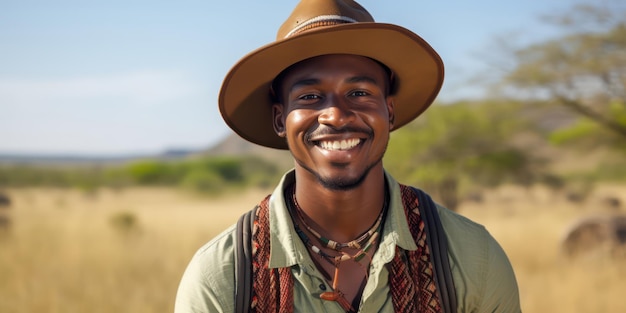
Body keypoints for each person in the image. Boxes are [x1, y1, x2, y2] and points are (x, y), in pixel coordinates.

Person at [175, 0, 521, 312]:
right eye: (310, 97)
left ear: (389, 112)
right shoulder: (223, 277)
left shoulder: (471, 257)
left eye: (358, 92)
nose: (336, 116)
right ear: (281, 119)